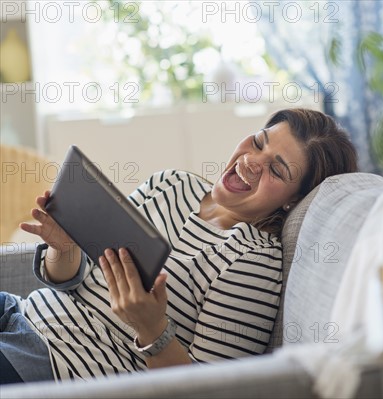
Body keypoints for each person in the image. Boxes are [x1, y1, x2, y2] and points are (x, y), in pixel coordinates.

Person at [0, 108, 358, 384]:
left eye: (276, 171)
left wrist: (151, 327)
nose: (251, 162)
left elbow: (204, 388)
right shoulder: (172, 183)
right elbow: (73, 281)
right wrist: (65, 251)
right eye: (259, 142)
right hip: (19, 312)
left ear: (291, 202)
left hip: (54, 362)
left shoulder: (254, 262)